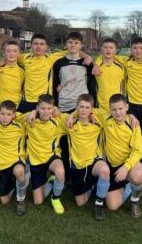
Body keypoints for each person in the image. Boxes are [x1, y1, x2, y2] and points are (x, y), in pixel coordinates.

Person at [94, 36, 142, 165]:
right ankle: (109, 163)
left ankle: (140, 164)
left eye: (141, 48)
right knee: (116, 135)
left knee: (141, 137)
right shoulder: (125, 61)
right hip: (130, 104)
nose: (138, 51)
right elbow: (107, 57)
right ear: (130, 50)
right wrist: (97, 63)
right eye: (135, 48)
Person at [52, 31, 95, 181]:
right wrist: (55, 104)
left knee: (79, 143)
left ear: (81, 45)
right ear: (66, 44)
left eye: (76, 43)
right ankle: (63, 176)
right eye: (70, 42)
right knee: (63, 143)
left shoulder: (87, 63)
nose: (73, 45)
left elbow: (92, 85)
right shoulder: (58, 63)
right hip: (63, 105)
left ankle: (79, 173)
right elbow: (54, 85)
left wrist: (90, 106)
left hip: (81, 108)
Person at [63, 94, 110, 221]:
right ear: (76, 108)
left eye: (87, 107)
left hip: (94, 162)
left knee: (104, 170)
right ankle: (94, 185)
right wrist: (72, 115)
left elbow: (115, 112)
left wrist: (132, 116)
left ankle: (99, 204)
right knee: (80, 203)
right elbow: (51, 113)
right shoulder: (69, 123)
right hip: (77, 166)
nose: (83, 110)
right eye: (81, 107)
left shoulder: (99, 121)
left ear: (92, 109)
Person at [97, 94, 142, 219]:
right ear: (110, 109)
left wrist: (126, 167)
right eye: (114, 109)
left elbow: (138, 151)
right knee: (112, 206)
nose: (118, 113)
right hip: (113, 166)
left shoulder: (134, 125)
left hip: (129, 165)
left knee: (138, 175)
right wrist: (72, 115)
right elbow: (86, 109)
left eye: (121, 109)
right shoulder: (105, 118)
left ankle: (135, 200)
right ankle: (129, 186)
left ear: (127, 107)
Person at [23, 94, 66, 214]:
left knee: (60, 171)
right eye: (42, 108)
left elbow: (79, 113)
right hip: (35, 160)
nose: (46, 112)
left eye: (49, 108)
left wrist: (91, 115)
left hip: (51, 156)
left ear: (53, 109)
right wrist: (31, 112)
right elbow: (10, 115)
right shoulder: (29, 119)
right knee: (38, 201)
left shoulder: (58, 119)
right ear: (37, 108)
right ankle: (52, 181)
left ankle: (56, 198)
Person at [0, 100, 30, 216]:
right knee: (4, 200)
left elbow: (32, 114)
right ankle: (15, 183)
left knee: (19, 171)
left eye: (9, 114)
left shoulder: (21, 126)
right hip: (0, 166)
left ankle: (21, 200)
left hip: (16, 161)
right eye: (2, 114)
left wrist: (34, 112)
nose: (5, 117)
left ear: (14, 115)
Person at [93, 38, 125, 113]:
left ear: (115, 50)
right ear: (101, 49)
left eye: (111, 48)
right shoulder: (96, 68)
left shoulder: (121, 67)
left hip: (117, 107)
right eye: (105, 47)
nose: (108, 50)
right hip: (100, 106)